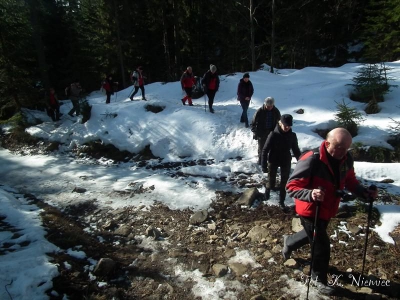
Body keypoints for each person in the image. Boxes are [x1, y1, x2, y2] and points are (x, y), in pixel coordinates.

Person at [284, 127, 379, 295]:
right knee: (321, 245)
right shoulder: (311, 159)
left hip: (328, 208)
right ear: (327, 143)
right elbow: (291, 187)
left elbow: (349, 180)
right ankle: (317, 279)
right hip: (311, 209)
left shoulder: (346, 158)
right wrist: (310, 194)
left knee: (313, 234)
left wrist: (363, 193)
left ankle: (289, 242)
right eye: (339, 147)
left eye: (347, 148)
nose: (343, 152)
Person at [261, 114, 301, 210]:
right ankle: (268, 189)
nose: (287, 127)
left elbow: (296, 150)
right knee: (271, 182)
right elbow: (265, 150)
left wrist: (302, 162)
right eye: (285, 125)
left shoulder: (292, 135)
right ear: (280, 123)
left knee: (284, 182)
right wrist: (264, 164)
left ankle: (281, 201)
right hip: (273, 160)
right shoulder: (273, 134)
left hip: (285, 160)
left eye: (289, 126)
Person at [251, 97, 281, 165]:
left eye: (271, 106)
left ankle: (270, 162)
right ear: (265, 104)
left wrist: (278, 131)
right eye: (268, 106)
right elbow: (253, 123)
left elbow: (279, 122)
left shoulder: (276, 111)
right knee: (262, 148)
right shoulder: (260, 111)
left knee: (272, 148)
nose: (269, 107)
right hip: (261, 133)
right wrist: (255, 132)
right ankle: (261, 161)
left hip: (272, 132)